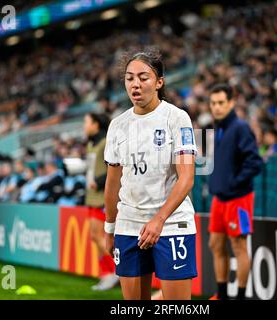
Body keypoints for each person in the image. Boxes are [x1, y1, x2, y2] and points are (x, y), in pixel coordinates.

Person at [103, 49, 197, 300]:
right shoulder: (117, 125)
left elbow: (187, 178)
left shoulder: (177, 118)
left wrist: (159, 219)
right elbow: (112, 183)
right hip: (129, 225)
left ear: (159, 82)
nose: (135, 84)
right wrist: (110, 228)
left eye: (143, 77)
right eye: (129, 78)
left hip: (172, 225)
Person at [207, 83, 263, 300]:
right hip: (219, 198)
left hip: (239, 199)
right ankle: (221, 295)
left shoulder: (240, 128)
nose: (217, 107)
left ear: (231, 103)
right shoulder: (218, 128)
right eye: (213, 103)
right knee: (215, 244)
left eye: (221, 103)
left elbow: (254, 162)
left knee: (239, 246)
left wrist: (234, 183)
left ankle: (240, 296)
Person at [83, 111, 119, 291]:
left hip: (101, 198)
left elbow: (113, 170)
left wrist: (97, 181)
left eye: (87, 122)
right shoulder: (91, 144)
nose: (84, 126)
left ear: (96, 124)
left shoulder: (105, 143)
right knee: (94, 237)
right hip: (91, 197)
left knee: (99, 237)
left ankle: (117, 271)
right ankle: (105, 273)